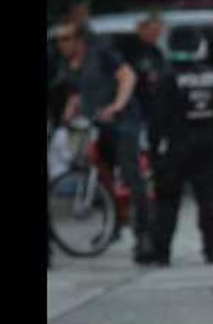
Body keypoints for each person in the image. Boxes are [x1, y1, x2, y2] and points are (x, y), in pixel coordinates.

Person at [54, 20, 157, 263]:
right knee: (100, 173)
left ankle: (145, 236)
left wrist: (117, 106)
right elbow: (79, 91)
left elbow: (127, 76)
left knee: (132, 176)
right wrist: (71, 110)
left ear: (80, 40)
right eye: (60, 40)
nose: (62, 44)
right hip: (97, 123)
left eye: (66, 39)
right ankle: (112, 226)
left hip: (123, 123)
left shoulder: (102, 54)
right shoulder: (68, 63)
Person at [148, 26, 213, 266]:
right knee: (210, 202)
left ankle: (161, 252)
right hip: (209, 146)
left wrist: (154, 151)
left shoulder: (166, 77)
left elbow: (157, 119)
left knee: (167, 201)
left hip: (177, 146)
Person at [120, 11, 167, 149]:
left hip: (150, 109)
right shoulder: (127, 48)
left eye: (159, 31)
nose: (156, 35)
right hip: (130, 108)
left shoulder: (156, 51)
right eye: (153, 30)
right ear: (141, 28)